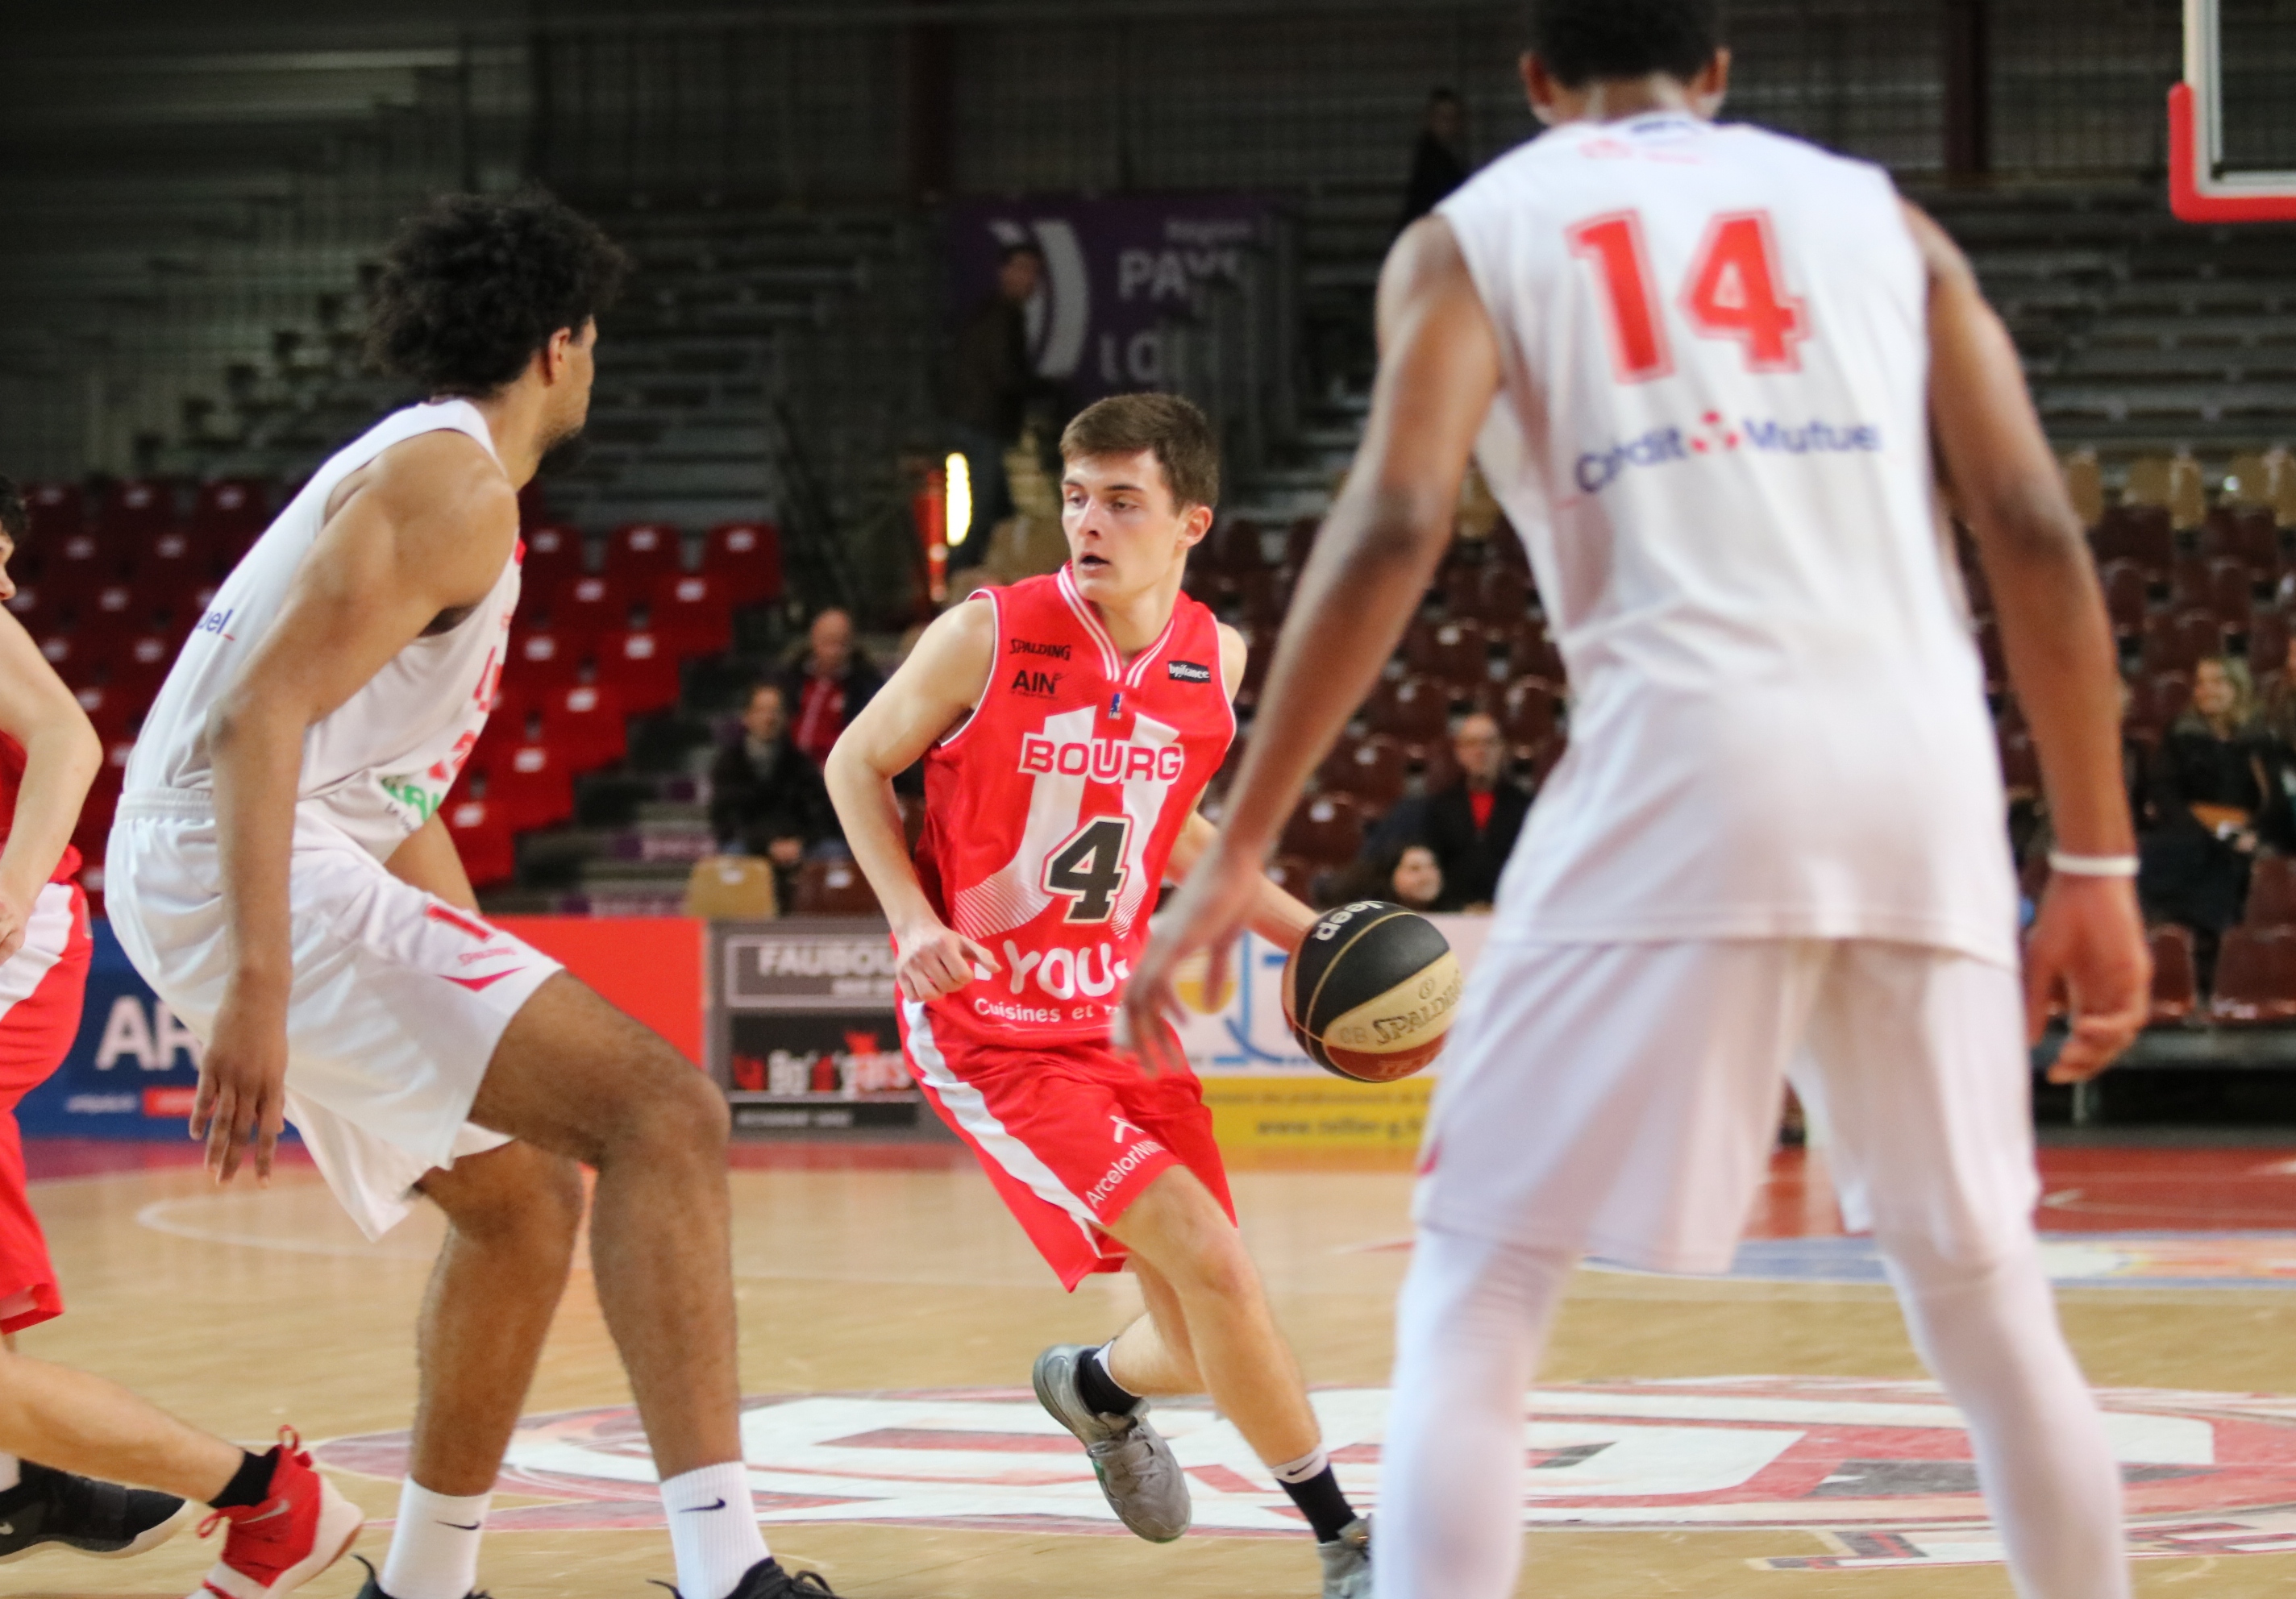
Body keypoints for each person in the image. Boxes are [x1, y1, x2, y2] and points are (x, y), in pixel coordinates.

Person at [1123, 4, 2149, 1597]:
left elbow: (1397, 515)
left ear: (1537, 84)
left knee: (1479, 1274)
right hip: (1924, 768)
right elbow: (2026, 514)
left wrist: (1239, 838)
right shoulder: (1888, 220)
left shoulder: (1477, 233)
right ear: (1720, 71)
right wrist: (2095, 853)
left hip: (1690, 751)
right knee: (1986, 1297)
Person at [106, 193, 846, 1599]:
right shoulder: (455, 488)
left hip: (248, 852)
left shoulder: (424, 470)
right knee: (666, 1112)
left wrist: (478, 965)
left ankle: (424, 1581)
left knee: (521, 1205)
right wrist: (262, 982)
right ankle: (726, 1569)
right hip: (235, 857)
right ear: (562, 345)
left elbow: (389, 788)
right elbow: (258, 719)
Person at [824, 393, 1376, 1598]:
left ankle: (1096, 1388)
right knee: (1221, 1269)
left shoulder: (1215, 660)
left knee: (1199, 1330)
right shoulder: (988, 633)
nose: (1089, 522)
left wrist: (1308, 935)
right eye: (1077, 497)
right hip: (991, 1030)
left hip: (1120, 1017)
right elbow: (853, 761)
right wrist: (912, 920)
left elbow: (1172, 835)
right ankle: (1348, 1543)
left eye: (1121, 501)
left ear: (1190, 521)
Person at [0, 454, 360, 1594]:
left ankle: (219, 1489)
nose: (0, 589)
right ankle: (32, 1488)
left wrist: (5, 894)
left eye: (3, 563)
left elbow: (67, 735)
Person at [2140, 655, 2286, 973]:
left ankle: (2222, 961)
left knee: (2242, 860)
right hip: (2190, 831)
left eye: (2217, 682)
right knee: (2180, 855)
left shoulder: (2262, 739)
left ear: (2238, 688)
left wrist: (2254, 832)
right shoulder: (2181, 735)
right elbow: (2164, 791)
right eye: (2202, 683)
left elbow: (2275, 798)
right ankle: (2189, 958)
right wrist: (2201, 831)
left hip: (2246, 831)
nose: (2207, 690)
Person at [944, 242, 1046, 567]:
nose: (1029, 279)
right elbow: (1004, 374)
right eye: (1023, 269)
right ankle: (957, 580)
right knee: (985, 515)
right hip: (983, 426)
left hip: (983, 424)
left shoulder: (996, 313)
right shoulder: (1002, 316)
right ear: (1005, 272)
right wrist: (1038, 388)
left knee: (1001, 513)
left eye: (1034, 271)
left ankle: (984, 578)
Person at [710, 682, 842, 912]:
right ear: (747, 717)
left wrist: (799, 842)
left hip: (799, 843)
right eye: (761, 710)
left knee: (835, 854)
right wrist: (767, 844)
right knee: (733, 855)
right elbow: (726, 820)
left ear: (785, 717)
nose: (768, 718)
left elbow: (822, 815)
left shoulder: (801, 764)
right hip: (750, 843)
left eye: (775, 711)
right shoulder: (728, 766)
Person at [1419, 712, 1529, 907]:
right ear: (1459, 751)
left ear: (1501, 748)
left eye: (1489, 743)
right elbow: (1432, 866)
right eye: (1472, 743)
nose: (1481, 751)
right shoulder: (1439, 807)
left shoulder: (1524, 806)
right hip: (1452, 914)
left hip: (1510, 913)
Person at [777, 608, 884, 768]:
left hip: (838, 769)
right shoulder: (791, 677)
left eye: (841, 643)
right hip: (789, 768)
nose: (833, 652)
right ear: (813, 640)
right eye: (827, 642)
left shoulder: (865, 685)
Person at [1398, 89, 1470, 229]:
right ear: (1430, 119)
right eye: (1443, 118)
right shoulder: (1433, 163)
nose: (1449, 125)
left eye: (1454, 118)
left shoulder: (1443, 160)